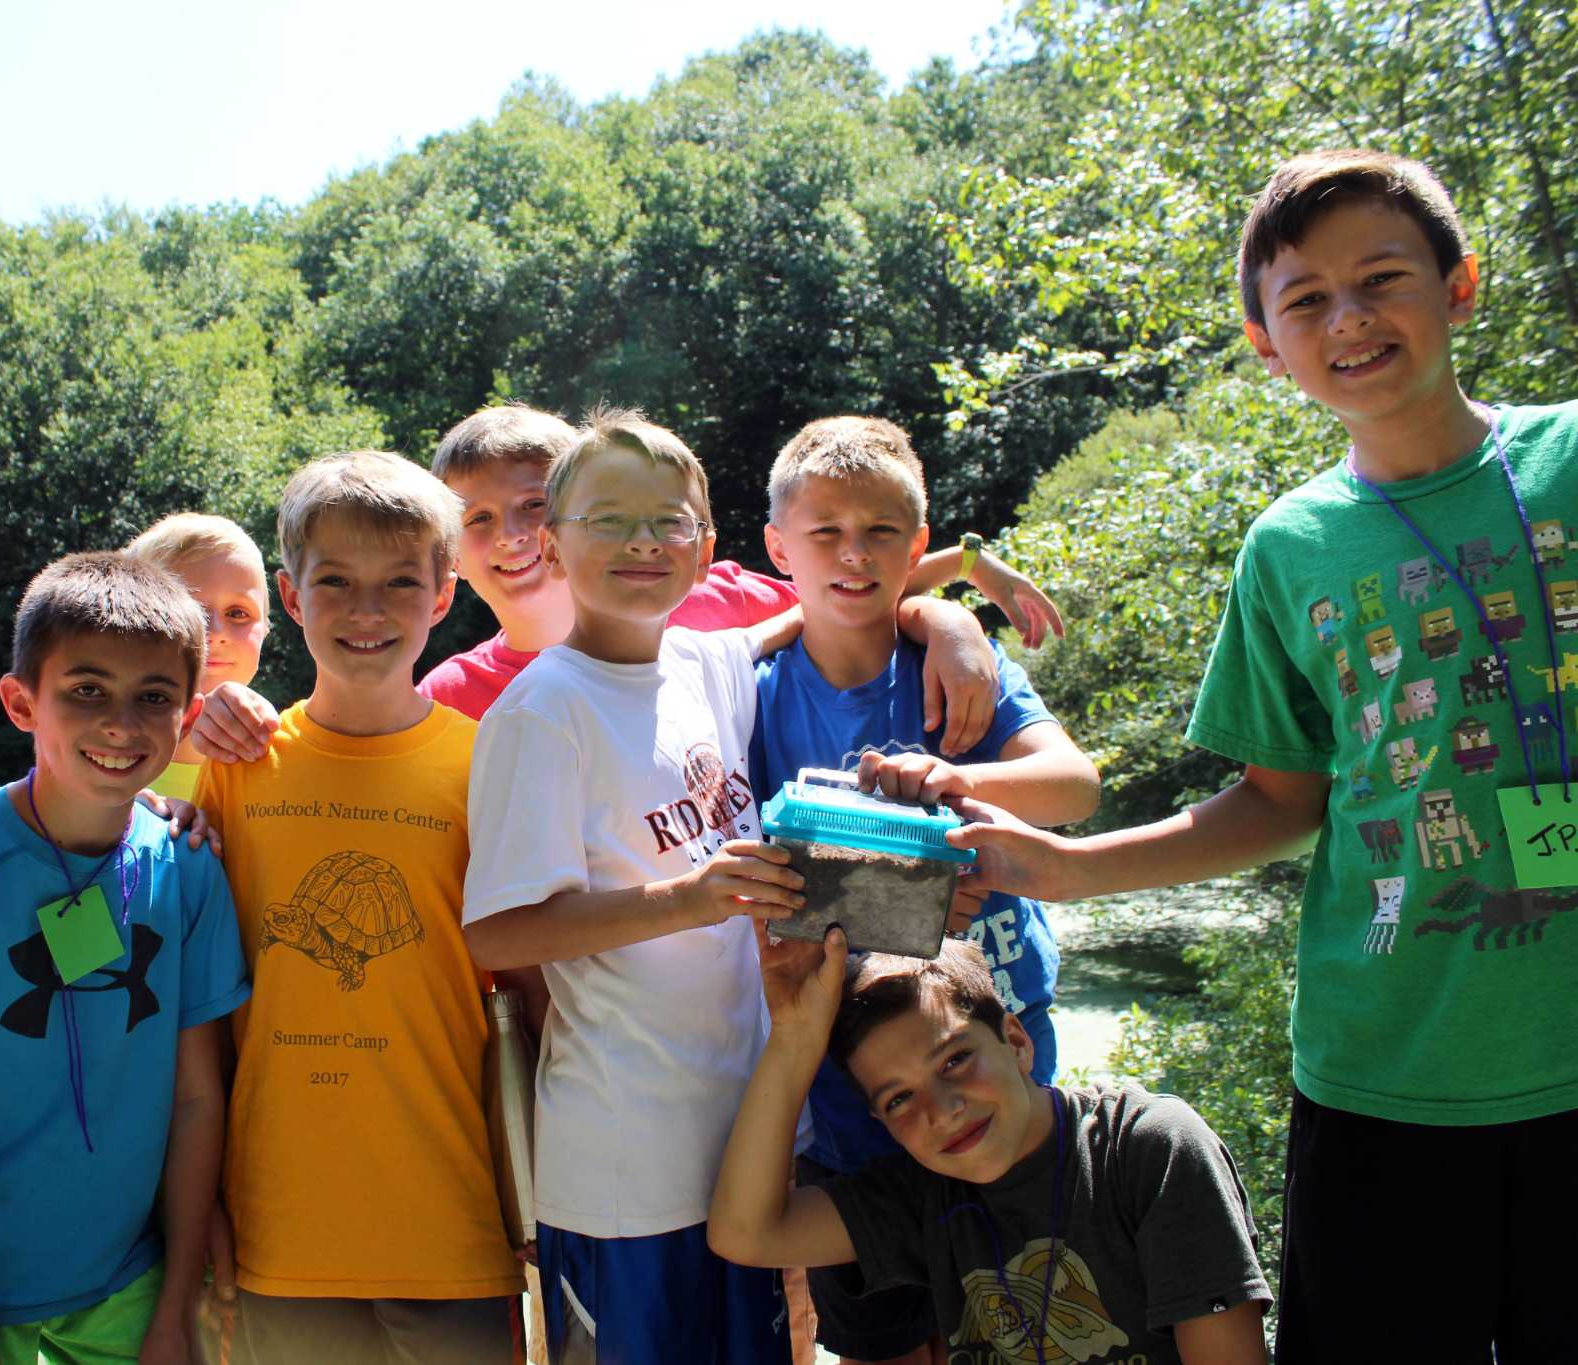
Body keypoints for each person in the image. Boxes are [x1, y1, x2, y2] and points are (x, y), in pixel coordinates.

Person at [937, 149, 1578, 1359]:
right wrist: (1065, 868)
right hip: (1382, 1071)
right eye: (1305, 300)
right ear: (1264, 344)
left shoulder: (1567, 459)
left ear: (1458, 286)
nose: (1348, 319)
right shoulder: (1288, 547)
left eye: (1380, 279)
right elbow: (1279, 800)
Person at [462, 408, 814, 1365]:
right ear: (552, 545)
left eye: (668, 522)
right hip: (626, 1174)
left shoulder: (705, 663)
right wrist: (688, 899)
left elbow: (823, 608)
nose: (642, 542)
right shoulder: (542, 712)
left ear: (706, 546)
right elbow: (498, 933)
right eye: (608, 520)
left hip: (747, 1146)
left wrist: (948, 602)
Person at [751, 415, 1100, 1365]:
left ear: (917, 543)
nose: (854, 555)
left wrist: (955, 779)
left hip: (999, 1054)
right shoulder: (753, 690)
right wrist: (950, 598)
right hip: (855, 1090)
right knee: (887, 1336)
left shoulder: (959, 674)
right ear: (778, 547)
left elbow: (1075, 785)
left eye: (880, 532)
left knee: (1028, 1322)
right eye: (825, 533)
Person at [0, 551, 249, 1364]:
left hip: (125, 1299)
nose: (122, 724)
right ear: (21, 702)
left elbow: (195, 1098)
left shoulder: (188, 867)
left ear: (187, 715)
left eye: (154, 697)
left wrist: (175, 1309)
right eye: (86, 690)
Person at [193, 451, 525, 1364]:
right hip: (278, 1230)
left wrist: (534, 1190)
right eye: (335, 581)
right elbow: (199, 1011)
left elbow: (526, 995)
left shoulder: (487, 763)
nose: (366, 611)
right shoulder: (235, 763)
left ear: (444, 592)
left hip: (453, 1223)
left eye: (399, 583)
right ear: (292, 597)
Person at [708, 933, 1271, 1364]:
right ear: (881, 1122)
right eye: (900, 1098)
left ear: (1017, 1042)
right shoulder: (925, 1193)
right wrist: (793, 1039)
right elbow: (746, 1233)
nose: (943, 1109)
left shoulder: (1148, 1149)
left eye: (955, 1060)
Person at [421, 403, 1062, 740]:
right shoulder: (450, 698)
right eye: (477, 519)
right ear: (451, 552)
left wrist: (950, 604)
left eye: (534, 504)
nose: (511, 535)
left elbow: (842, 599)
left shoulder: (709, 600)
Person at [124, 512, 272, 802]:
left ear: (266, 626)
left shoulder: (286, 756)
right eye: (193, 612)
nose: (215, 633)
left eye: (238, 613)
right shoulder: (95, 762)